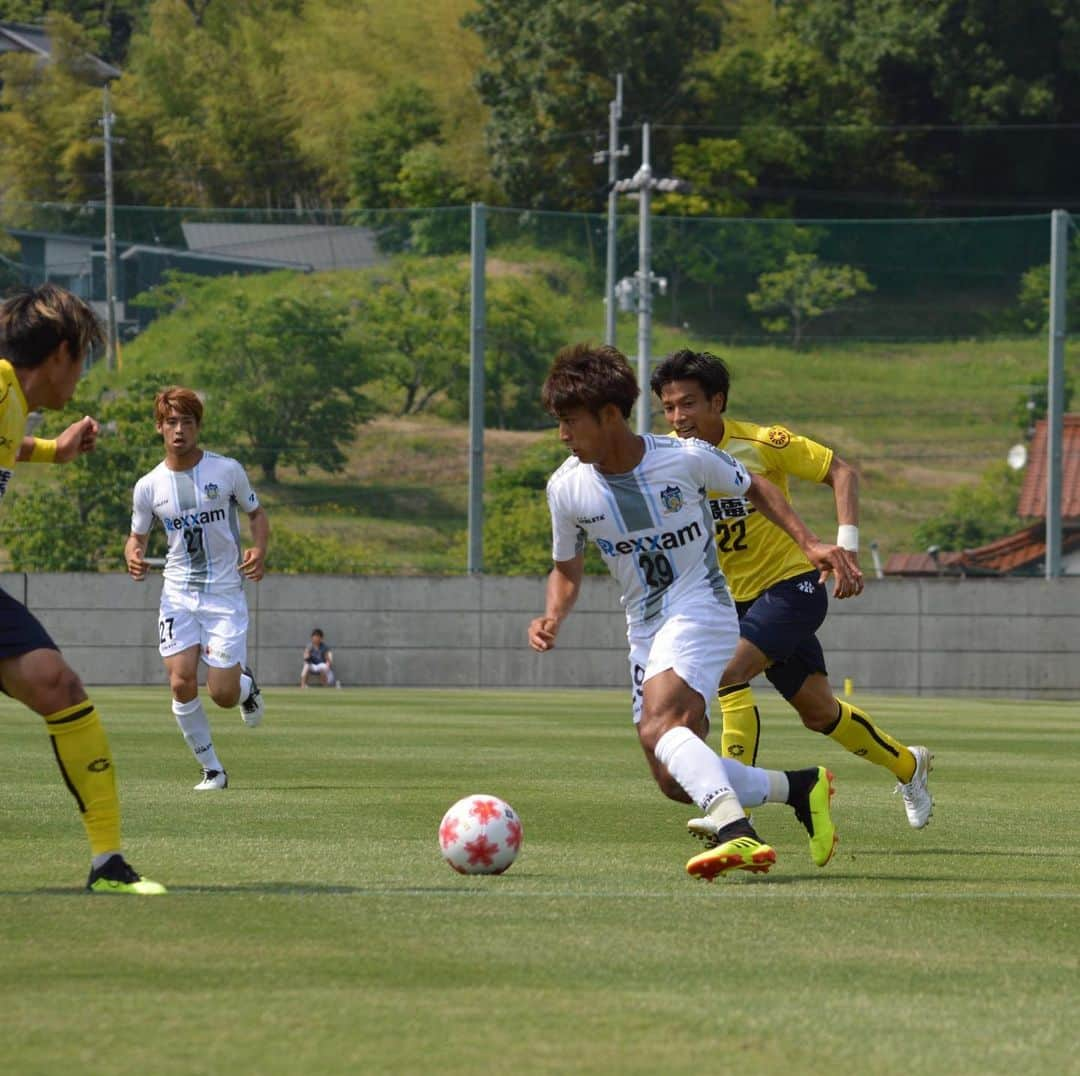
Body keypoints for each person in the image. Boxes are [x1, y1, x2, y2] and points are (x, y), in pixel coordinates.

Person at [528, 343, 864, 880]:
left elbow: (754, 484)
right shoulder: (566, 489)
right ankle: (800, 788)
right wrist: (552, 615)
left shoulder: (681, 457)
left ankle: (738, 831)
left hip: (701, 608)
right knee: (668, 775)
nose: (563, 435)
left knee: (666, 724)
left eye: (570, 422)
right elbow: (565, 569)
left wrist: (808, 542)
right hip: (645, 627)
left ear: (610, 415)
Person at [651, 349, 934, 831]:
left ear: (717, 401)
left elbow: (840, 472)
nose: (678, 418)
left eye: (689, 404)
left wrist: (844, 547)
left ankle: (726, 808)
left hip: (791, 587)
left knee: (727, 674)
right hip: (728, 601)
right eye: (670, 407)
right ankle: (909, 765)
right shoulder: (666, 456)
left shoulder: (763, 442)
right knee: (819, 712)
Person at [0, 284, 165, 894]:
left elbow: (5, 445)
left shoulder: (11, 398)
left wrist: (52, 450)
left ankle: (107, 862)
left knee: (57, 684)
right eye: (85, 357)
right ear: (63, 352)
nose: (82, 374)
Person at [125, 386, 268, 792]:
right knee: (180, 681)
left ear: (198, 427)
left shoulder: (227, 471)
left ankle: (245, 687)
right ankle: (212, 770)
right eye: (171, 422)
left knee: (222, 693)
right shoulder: (148, 486)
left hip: (224, 594)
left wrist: (258, 547)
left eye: (187, 422)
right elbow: (135, 538)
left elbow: (257, 514)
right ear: (159, 428)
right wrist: (133, 554)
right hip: (178, 594)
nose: (179, 430)